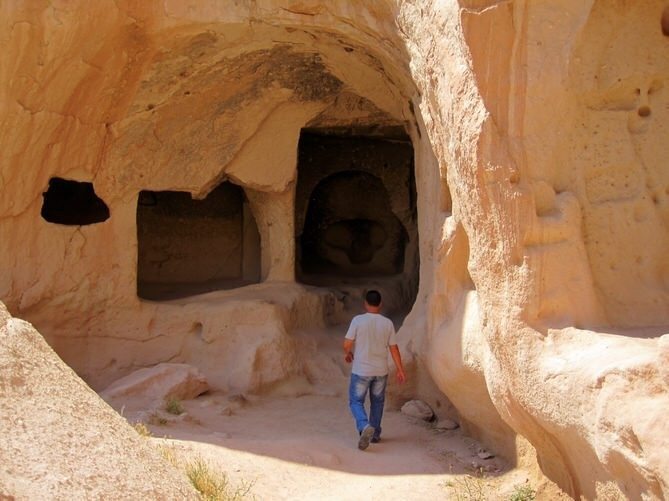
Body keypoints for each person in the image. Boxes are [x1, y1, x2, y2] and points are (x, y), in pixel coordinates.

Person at [343, 290, 406, 450]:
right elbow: (394, 349)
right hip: (381, 371)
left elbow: (347, 343)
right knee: (377, 402)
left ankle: (364, 426)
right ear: (380, 304)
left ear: (365, 303)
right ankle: (375, 434)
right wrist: (400, 370)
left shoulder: (358, 320)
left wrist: (348, 353)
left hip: (361, 370)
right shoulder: (387, 323)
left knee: (356, 401)